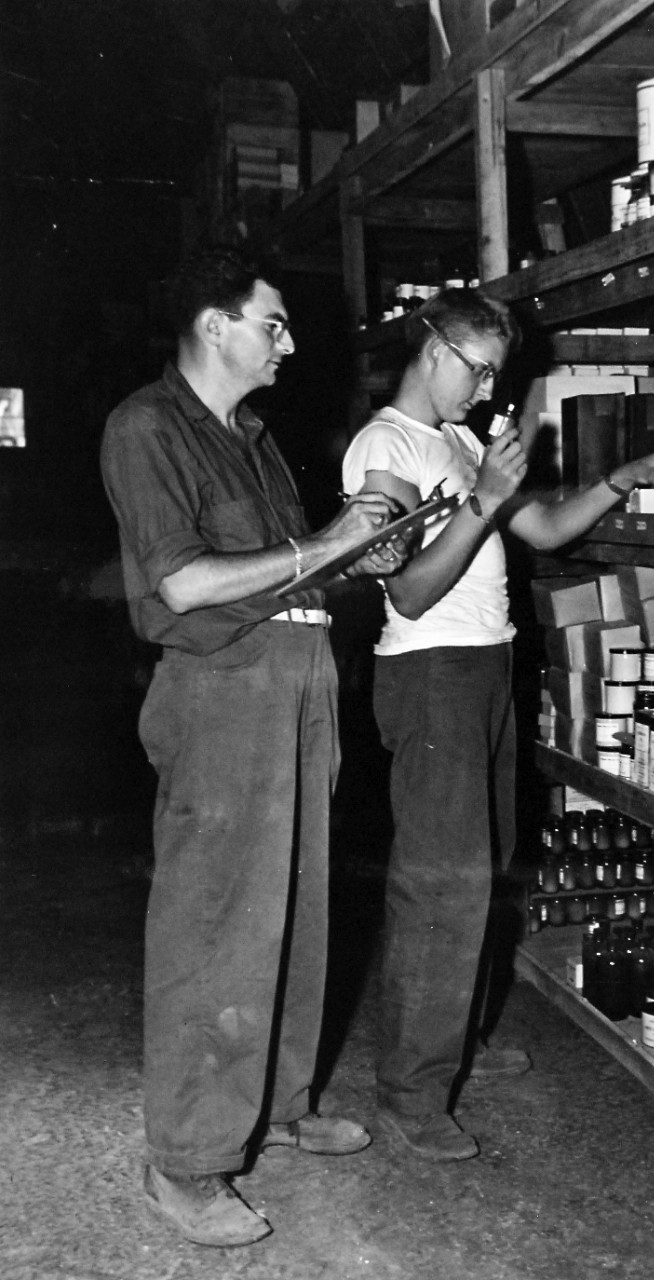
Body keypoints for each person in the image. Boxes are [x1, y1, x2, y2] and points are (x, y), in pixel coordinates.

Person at [100, 246, 408, 1248]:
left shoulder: (257, 436)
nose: (287, 342)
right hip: (222, 695)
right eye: (271, 324)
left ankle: (275, 1099)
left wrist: (367, 542)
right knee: (217, 924)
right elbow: (185, 584)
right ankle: (188, 1157)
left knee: (298, 910)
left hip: (299, 680)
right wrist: (325, 543)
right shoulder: (148, 428)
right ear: (212, 324)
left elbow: (291, 575)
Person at [342, 287, 654, 1162]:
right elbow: (411, 590)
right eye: (480, 368)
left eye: (496, 372)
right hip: (432, 676)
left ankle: (453, 1043)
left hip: (487, 666)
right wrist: (478, 501)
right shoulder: (386, 448)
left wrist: (622, 478)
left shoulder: (456, 443)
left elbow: (542, 529)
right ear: (433, 348)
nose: (487, 389)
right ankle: (411, 1093)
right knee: (441, 883)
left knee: (484, 869)